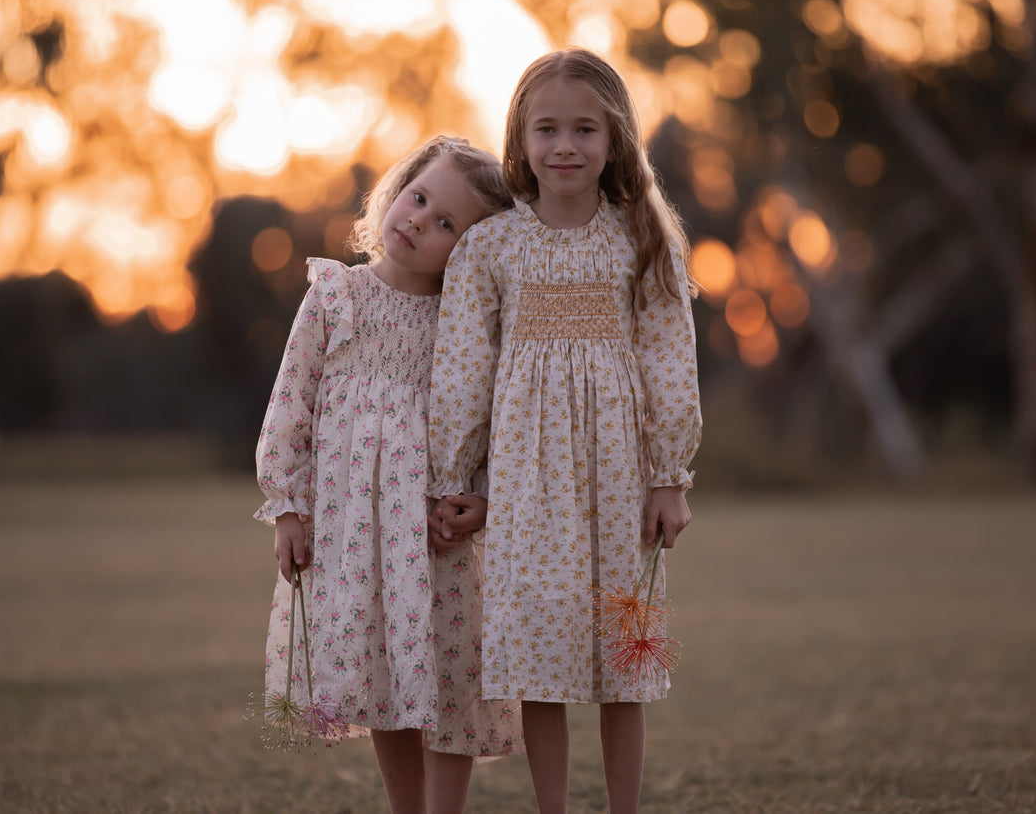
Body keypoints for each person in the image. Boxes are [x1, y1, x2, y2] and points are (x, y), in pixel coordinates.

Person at [428, 49, 703, 814]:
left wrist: (667, 477)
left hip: (617, 475)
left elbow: (668, 362)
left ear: (613, 138)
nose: (565, 146)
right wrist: (458, 479)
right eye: (546, 128)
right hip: (525, 480)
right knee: (535, 655)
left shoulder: (639, 239)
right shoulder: (492, 247)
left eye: (584, 128)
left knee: (624, 656)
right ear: (519, 138)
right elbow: (462, 368)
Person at [255, 134, 522, 814]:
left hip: (435, 532)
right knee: (385, 673)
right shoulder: (335, 294)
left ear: (467, 250)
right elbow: (293, 402)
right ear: (397, 187)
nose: (418, 221)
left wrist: (478, 499)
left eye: (445, 224)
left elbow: (491, 419)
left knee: (452, 669)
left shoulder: (463, 321)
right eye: (419, 196)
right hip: (359, 531)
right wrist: (287, 507)